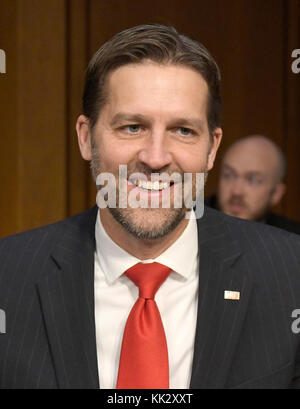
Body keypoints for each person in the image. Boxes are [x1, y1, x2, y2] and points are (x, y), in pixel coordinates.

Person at [0, 24, 300, 390]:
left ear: (211, 148)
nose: (156, 158)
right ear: (85, 138)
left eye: (183, 130)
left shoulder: (290, 274)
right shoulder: (8, 276)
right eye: (132, 127)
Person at [206, 135, 300, 234]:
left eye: (253, 180)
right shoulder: (192, 221)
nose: (236, 191)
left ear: (276, 193)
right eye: (228, 175)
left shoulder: (291, 240)